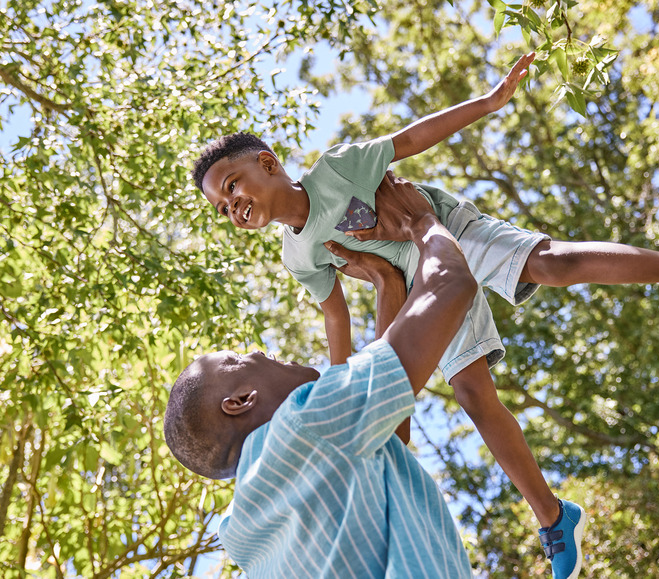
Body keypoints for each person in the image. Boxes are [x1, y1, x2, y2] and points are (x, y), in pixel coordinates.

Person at [189, 54, 659, 579]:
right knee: (470, 392)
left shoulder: (336, 170)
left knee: (550, 265)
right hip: (422, 285)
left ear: (267, 164)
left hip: (444, 231)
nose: (232, 206)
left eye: (232, 186)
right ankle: (553, 515)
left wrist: (488, 103)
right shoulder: (297, 255)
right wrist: (345, 405)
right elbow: (337, 321)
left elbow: (411, 139)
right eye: (222, 206)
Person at [165, 173, 482, 577]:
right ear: (240, 401)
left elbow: (389, 435)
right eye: (240, 357)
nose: (260, 349)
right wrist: (422, 222)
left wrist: (387, 281)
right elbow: (450, 286)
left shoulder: (246, 533)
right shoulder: (304, 424)